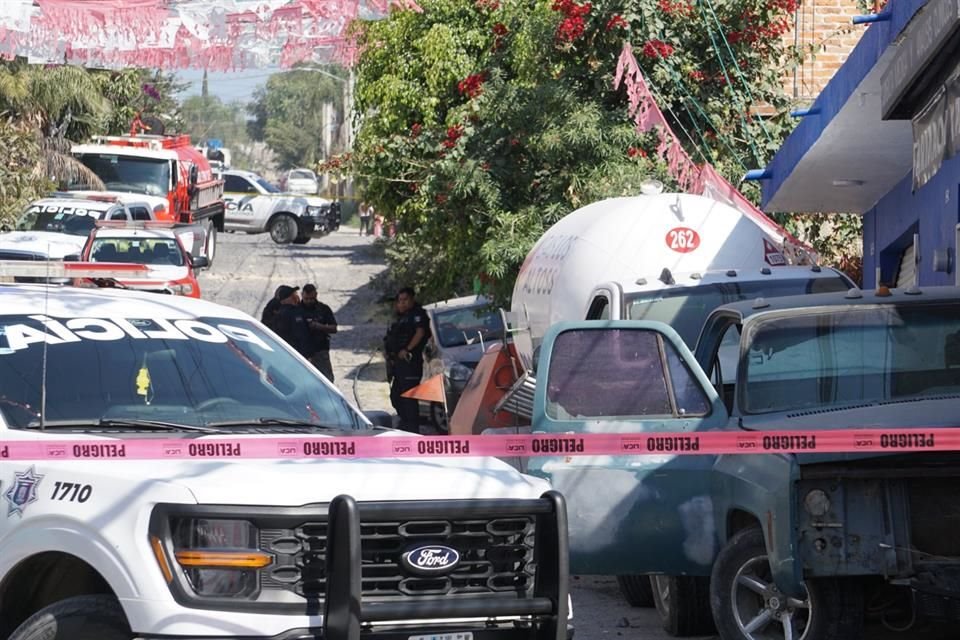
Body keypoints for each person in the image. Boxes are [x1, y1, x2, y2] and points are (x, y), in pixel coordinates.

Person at [383, 287, 430, 433]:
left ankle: (412, 429)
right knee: (396, 396)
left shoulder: (418, 315)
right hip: (398, 364)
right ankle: (405, 423)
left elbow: (420, 332)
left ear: (412, 300)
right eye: (399, 301)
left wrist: (407, 349)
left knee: (409, 397)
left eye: (405, 300)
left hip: (410, 362)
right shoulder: (400, 317)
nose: (401, 303)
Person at [300, 283, 338, 382]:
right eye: (306, 299)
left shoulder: (323, 309)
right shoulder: (296, 310)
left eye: (311, 299)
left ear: (316, 295)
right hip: (302, 351)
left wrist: (319, 326)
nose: (309, 301)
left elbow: (334, 328)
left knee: (326, 379)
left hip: (320, 349)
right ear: (302, 295)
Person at [274, 285, 310, 357]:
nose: (296, 297)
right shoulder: (293, 313)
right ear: (286, 299)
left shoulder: (279, 313)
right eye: (292, 295)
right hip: (296, 353)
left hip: (284, 352)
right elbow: (300, 335)